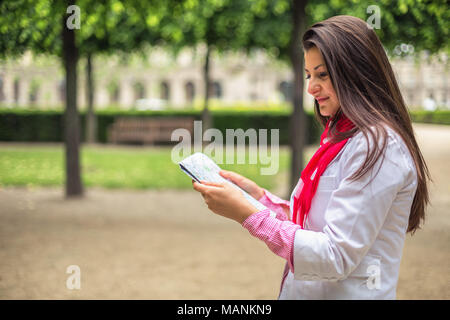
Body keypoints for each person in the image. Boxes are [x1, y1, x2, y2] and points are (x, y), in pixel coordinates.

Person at [192, 15, 431, 299]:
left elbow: (334, 256)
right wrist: (257, 199)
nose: (311, 87)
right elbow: (316, 222)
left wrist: (248, 215)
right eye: (308, 75)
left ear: (356, 72)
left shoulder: (378, 147)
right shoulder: (343, 135)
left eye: (322, 74)